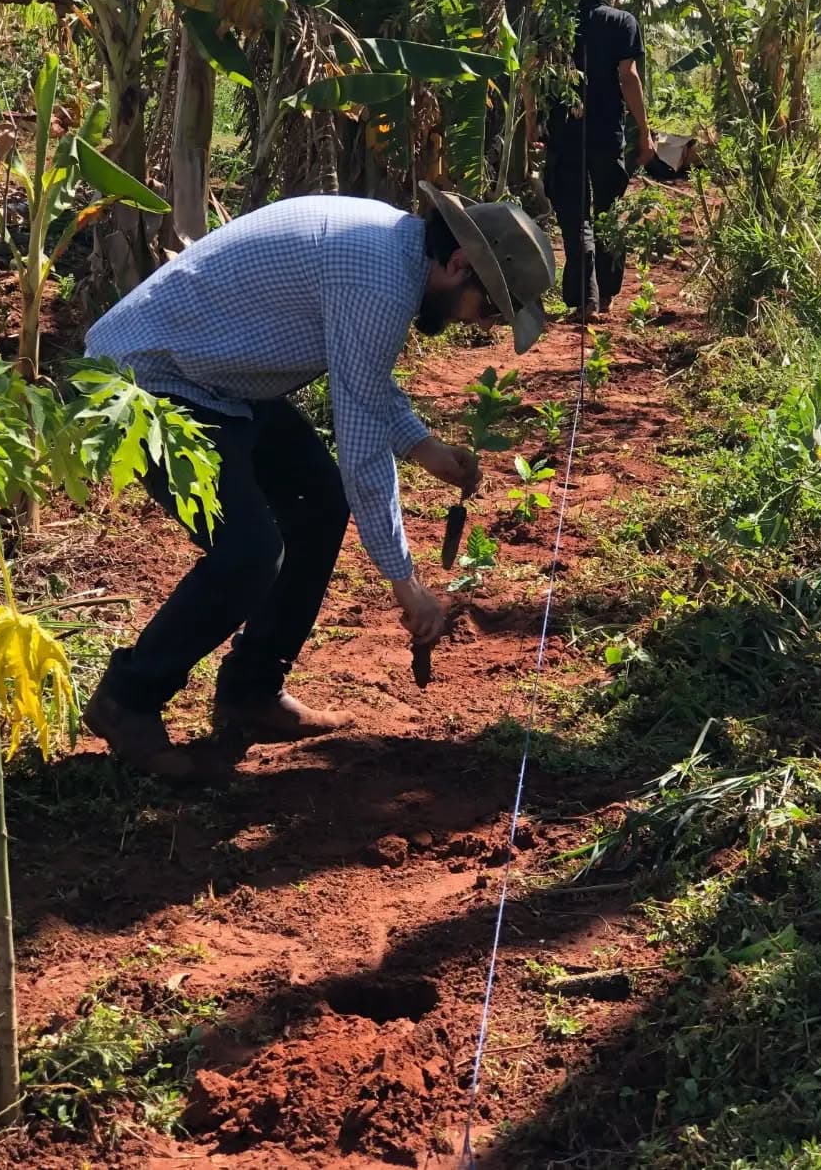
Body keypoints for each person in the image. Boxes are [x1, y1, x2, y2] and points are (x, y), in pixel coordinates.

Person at [80, 185, 556, 780]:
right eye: (486, 308)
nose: (476, 324)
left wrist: (422, 445)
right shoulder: (379, 280)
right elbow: (360, 448)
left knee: (318, 504)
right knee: (250, 552)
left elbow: (363, 374)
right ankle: (128, 698)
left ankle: (251, 690)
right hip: (149, 380)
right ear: (460, 265)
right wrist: (404, 583)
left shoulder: (391, 251)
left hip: (222, 382)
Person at [539, 0, 655, 320]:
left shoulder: (558, 23)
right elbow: (628, 76)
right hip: (607, 134)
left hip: (565, 131)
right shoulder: (624, 22)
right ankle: (604, 296)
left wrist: (534, 125)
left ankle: (583, 298)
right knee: (608, 212)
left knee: (575, 217)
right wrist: (645, 131)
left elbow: (536, 74)